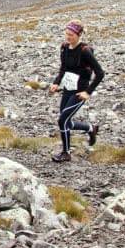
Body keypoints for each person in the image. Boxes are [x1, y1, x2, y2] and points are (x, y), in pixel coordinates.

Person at [48, 20, 104, 163]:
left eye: (71, 35)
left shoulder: (85, 51)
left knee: (62, 120)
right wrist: (56, 83)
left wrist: (88, 92)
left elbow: (100, 73)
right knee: (66, 121)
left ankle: (66, 153)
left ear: (79, 35)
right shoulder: (64, 47)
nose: (68, 37)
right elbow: (63, 68)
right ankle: (91, 128)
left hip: (80, 92)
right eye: (67, 34)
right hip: (68, 88)